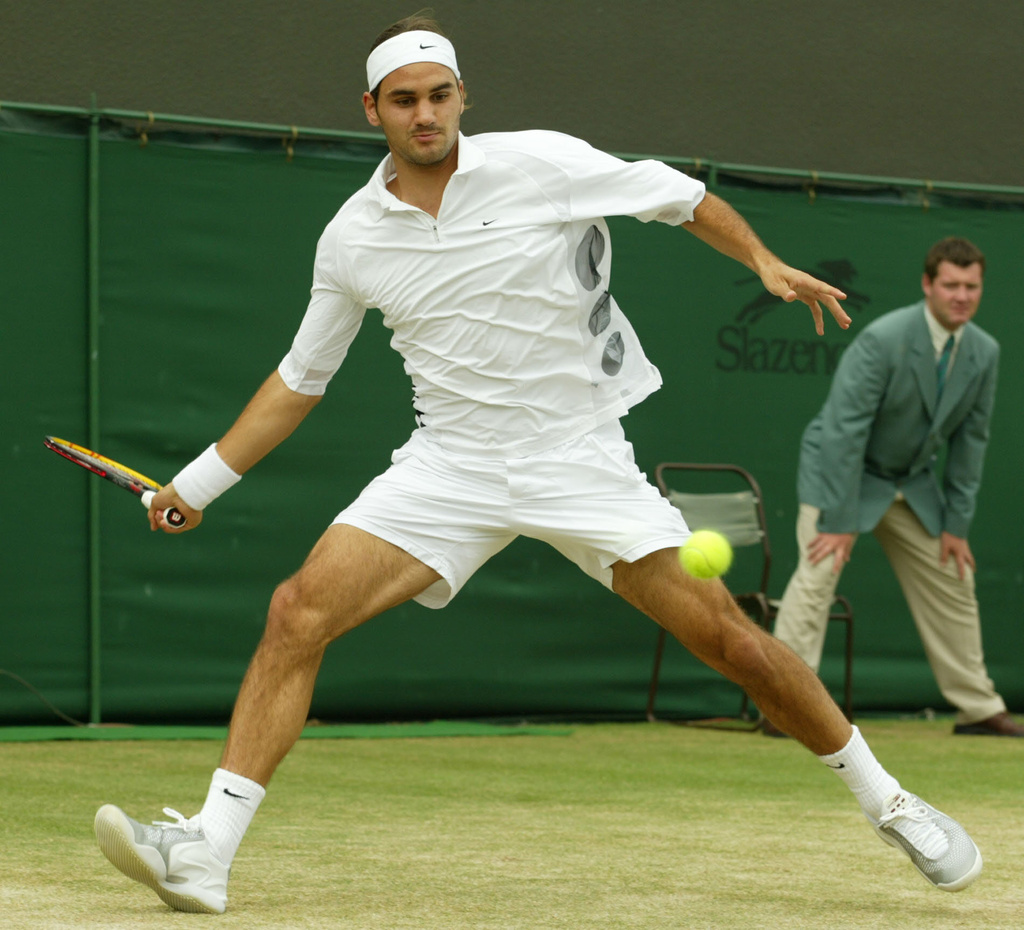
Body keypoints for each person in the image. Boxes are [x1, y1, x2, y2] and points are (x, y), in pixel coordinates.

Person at [92, 14, 983, 915]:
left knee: (733, 643)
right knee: (297, 611)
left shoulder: (542, 161)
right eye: (405, 101)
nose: (426, 114)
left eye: (440, 96)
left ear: (462, 97)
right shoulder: (352, 236)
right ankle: (206, 851)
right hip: (450, 465)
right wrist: (198, 483)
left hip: (578, 456)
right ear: (373, 111)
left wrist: (761, 257)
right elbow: (299, 379)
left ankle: (892, 802)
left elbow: (677, 195)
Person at [766, 237, 1023, 739]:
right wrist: (840, 523)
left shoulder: (984, 352)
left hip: (910, 483)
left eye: (972, 286)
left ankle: (978, 708)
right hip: (842, 473)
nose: (962, 296)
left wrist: (956, 526)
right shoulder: (884, 338)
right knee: (819, 571)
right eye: (951, 284)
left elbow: (972, 442)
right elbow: (843, 432)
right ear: (928, 285)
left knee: (955, 573)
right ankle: (786, 706)